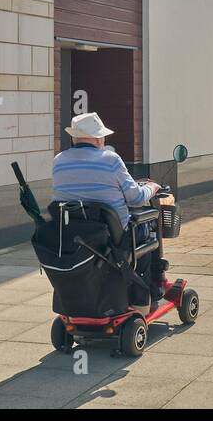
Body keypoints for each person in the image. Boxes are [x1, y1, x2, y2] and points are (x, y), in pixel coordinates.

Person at [52, 112, 164, 307]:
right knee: (147, 233)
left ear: (73, 137)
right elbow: (136, 198)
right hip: (113, 237)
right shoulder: (111, 159)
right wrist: (152, 187)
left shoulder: (59, 160)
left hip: (75, 235)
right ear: (97, 138)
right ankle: (146, 294)